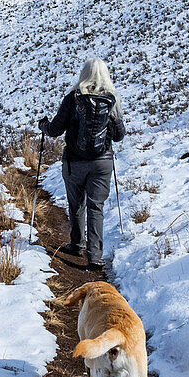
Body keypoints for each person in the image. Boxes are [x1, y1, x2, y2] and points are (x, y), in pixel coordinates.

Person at [39, 58, 125, 270]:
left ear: (83, 74)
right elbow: (119, 136)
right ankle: (94, 256)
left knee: (76, 204)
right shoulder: (111, 99)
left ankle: (77, 244)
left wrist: (43, 125)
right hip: (102, 162)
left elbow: (55, 130)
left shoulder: (73, 98)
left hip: (74, 162)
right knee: (96, 207)